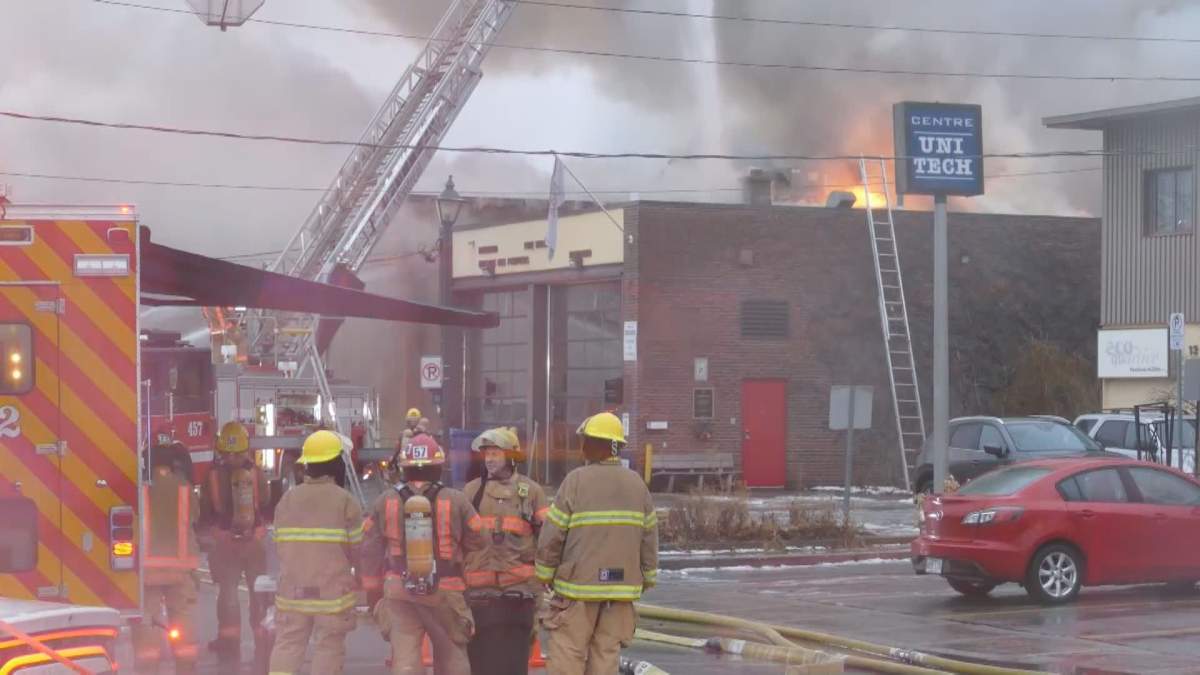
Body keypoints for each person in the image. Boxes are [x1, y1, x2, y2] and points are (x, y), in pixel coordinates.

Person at [535, 412, 659, 675]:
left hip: (578, 590)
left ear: (600, 444)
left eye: (587, 441)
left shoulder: (576, 480)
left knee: (568, 652)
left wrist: (544, 573)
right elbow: (649, 537)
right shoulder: (637, 484)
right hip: (620, 592)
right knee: (606, 656)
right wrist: (647, 577)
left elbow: (553, 533)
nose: (582, 447)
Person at [362, 432, 485, 675]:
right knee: (452, 658)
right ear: (438, 466)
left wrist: (372, 591)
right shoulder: (456, 500)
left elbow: (369, 548)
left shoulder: (385, 500)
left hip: (398, 590)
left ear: (404, 467)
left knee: (405, 660)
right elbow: (480, 540)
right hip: (446, 590)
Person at [267, 430, 364, 675]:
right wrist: (360, 579)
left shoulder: (287, 500)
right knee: (329, 646)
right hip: (331, 595)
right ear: (336, 464)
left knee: (288, 644)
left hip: (292, 594)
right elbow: (357, 550)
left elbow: (279, 546)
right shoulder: (345, 501)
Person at [462, 427, 548, 675]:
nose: (489, 459)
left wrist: (544, 583)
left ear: (511, 456)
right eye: (486, 454)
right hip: (480, 595)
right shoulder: (471, 492)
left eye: (495, 453)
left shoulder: (531, 492)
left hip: (520, 595)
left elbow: (548, 540)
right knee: (480, 664)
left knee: (514, 664)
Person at [199, 421, 269, 659]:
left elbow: (205, 509)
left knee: (228, 594)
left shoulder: (212, 475)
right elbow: (266, 500)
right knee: (258, 593)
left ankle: (229, 642)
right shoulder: (256, 473)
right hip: (254, 542)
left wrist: (214, 532)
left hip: (226, 542)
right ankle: (263, 641)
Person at [133, 442, 201, 674]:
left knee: (148, 619)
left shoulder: (140, 487)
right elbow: (195, 516)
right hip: (179, 568)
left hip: (148, 569)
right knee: (182, 616)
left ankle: (148, 667)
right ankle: (185, 666)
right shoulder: (184, 486)